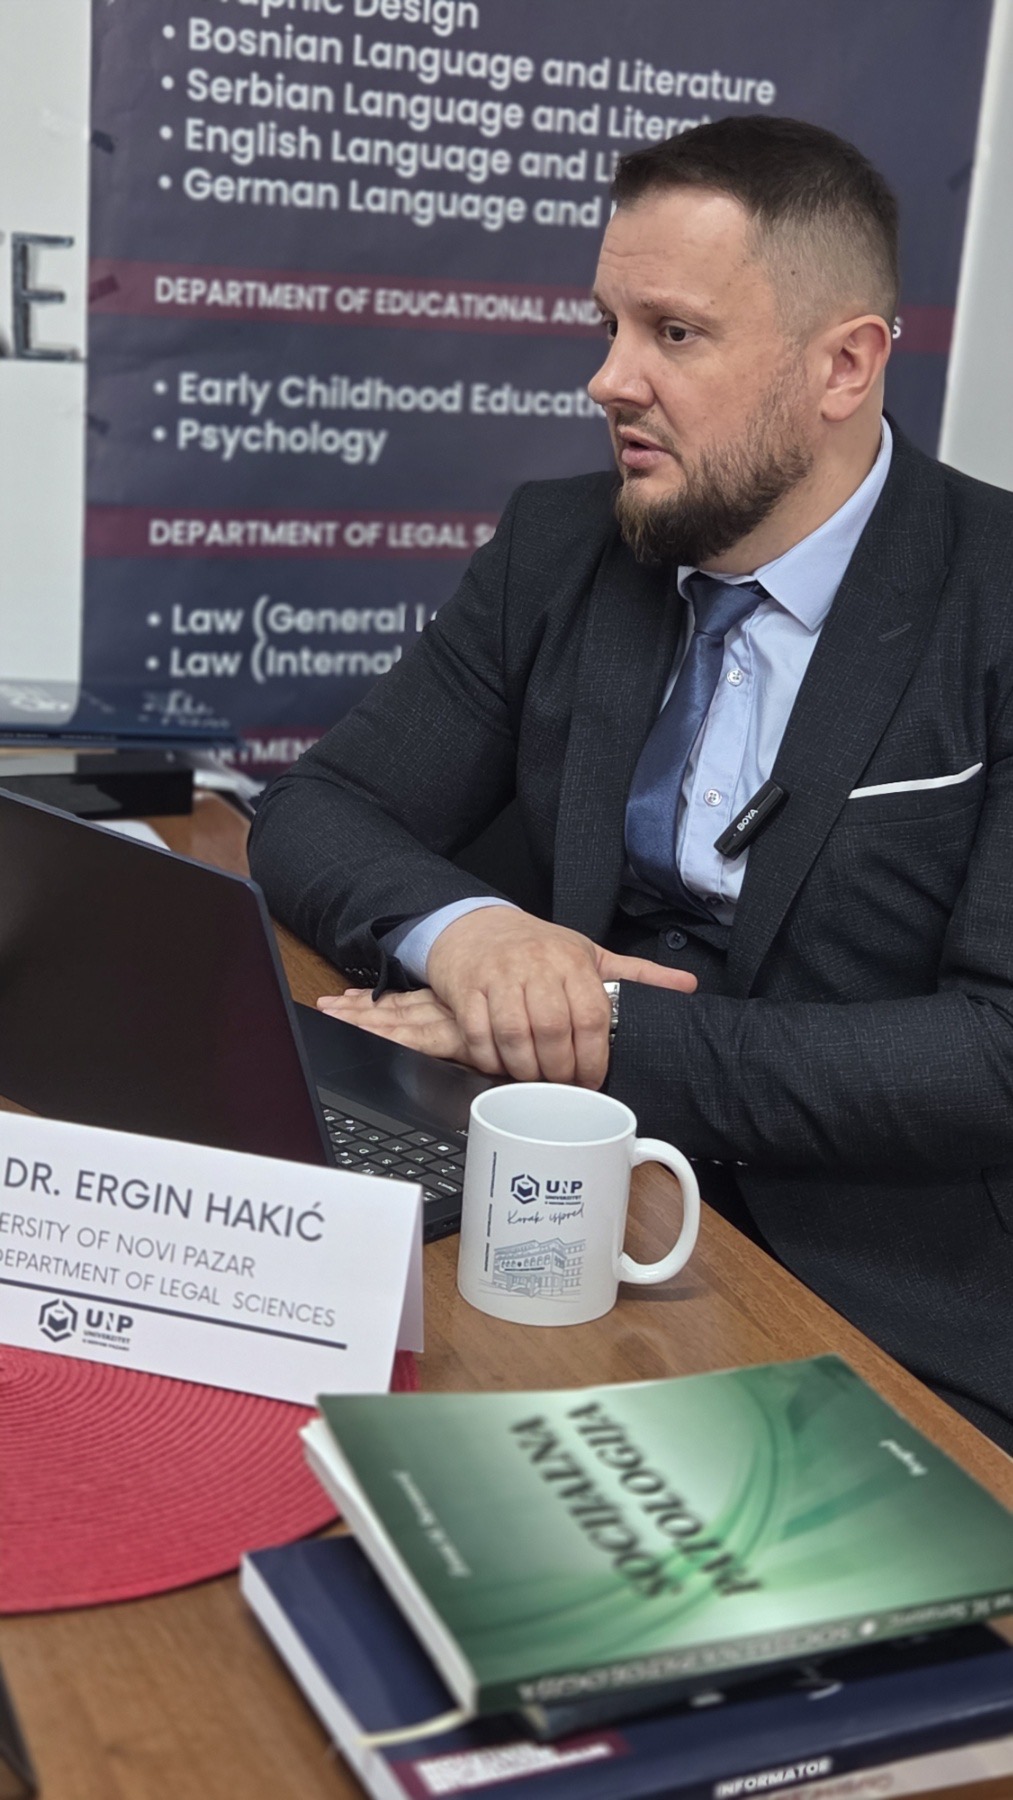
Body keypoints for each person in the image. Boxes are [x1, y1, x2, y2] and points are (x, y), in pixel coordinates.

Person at [249, 116, 1013, 1454]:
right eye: (608, 326)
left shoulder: (993, 595)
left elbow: (993, 1058)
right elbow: (318, 810)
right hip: (540, 1195)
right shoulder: (556, 546)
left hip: (887, 1287)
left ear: (843, 365)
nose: (608, 379)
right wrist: (478, 941)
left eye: (674, 333)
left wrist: (585, 1029)